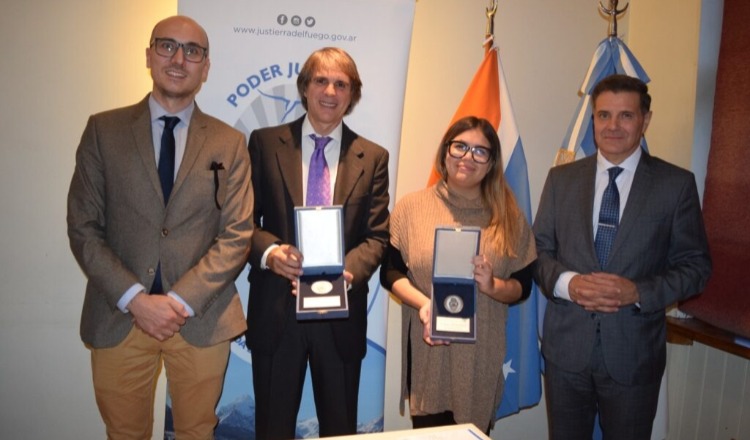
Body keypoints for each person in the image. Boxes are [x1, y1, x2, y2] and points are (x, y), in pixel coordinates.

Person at [67, 16, 253, 440]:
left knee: (197, 433)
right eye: (167, 46)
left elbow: (238, 233)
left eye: (193, 51)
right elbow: (83, 226)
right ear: (149, 55)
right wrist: (136, 299)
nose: (179, 59)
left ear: (205, 68)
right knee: (124, 433)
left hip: (202, 319)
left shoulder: (229, 143)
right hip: (119, 317)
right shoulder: (103, 131)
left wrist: (179, 301)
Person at [533, 74, 712, 440]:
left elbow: (696, 267)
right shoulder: (561, 179)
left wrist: (638, 292)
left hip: (633, 355)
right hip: (566, 353)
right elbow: (537, 251)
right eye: (603, 115)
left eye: (626, 116)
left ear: (645, 120)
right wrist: (569, 284)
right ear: (593, 119)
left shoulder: (675, 185)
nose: (612, 126)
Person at [245, 47, 390, 439]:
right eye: (321, 81)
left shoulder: (373, 157)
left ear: (352, 94)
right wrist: (271, 254)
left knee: (340, 429)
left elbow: (377, 236)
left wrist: (349, 273)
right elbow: (242, 224)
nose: (330, 91)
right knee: (272, 429)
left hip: (341, 315)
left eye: (341, 84)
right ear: (305, 87)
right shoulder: (264, 143)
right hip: (277, 312)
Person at [380, 116, 536, 433]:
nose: (467, 157)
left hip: (480, 356)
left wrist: (492, 285)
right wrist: (425, 305)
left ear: (491, 162)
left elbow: (523, 286)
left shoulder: (509, 216)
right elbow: (390, 271)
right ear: (445, 151)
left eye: (480, 151)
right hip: (428, 351)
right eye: (460, 146)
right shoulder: (411, 207)